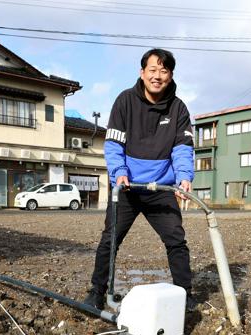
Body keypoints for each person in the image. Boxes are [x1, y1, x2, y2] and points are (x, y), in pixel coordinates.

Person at [84, 48, 197, 311]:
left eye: (164, 71)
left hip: (161, 187)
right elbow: (113, 145)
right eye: (153, 70)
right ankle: (97, 292)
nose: (157, 76)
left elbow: (182, 149)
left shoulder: (178, 108)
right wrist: (119, 173)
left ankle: (185, 294)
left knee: (176, 240)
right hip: (127, 187)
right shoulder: (125, 101)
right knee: (110, 239)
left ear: (170, 75)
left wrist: (183, 178)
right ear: (142, 72)